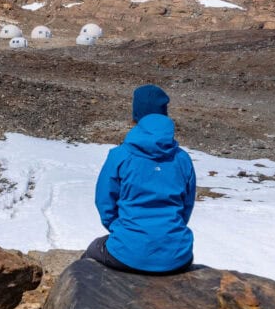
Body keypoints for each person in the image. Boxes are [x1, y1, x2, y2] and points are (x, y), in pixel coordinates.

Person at [82, 84, 196, 274]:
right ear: (164, 114)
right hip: (178, 256)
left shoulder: (120, 155)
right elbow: (186, 206)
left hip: (128, 252)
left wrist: (122, 231)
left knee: (92, 252)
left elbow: (104, 202)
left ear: (136, 115)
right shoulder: (182, 159)